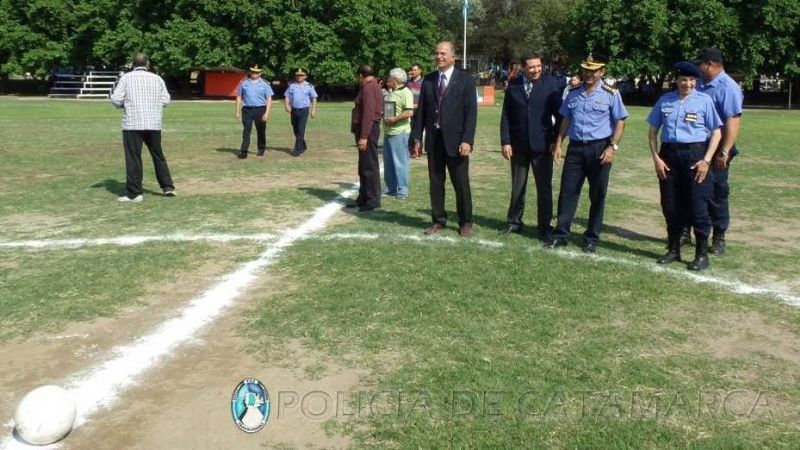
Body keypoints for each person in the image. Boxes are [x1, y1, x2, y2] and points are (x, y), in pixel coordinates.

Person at [544, 53, 628, 253]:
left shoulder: (611, 93)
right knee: (568, 191)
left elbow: (620, 121)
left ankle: (592, 237)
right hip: (575, 148)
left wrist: (612, 147)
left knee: (597, 194)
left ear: (601, 72)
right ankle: (561, 234)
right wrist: (559, 144)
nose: (589, 74)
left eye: (593, 70)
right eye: (586, 70)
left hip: (600, 149)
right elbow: (565, 120)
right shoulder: (573, 92)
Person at [647, 62, 723, 271]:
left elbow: (716, 132)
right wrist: (656, 158)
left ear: (695, 82)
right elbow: (653, 131)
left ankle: (701, 254)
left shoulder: (704, 101)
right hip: (669, 156)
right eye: (683, 80)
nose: (687, 84)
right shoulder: (665, 100)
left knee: (698, 207)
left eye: (691, 80)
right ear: (677, 81)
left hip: (695, 157)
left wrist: (706, 160)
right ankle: (673, 249)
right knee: (670, 206)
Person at [411, 41, 478, 237]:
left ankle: (465, 222)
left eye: (443, 53)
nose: (439, 57)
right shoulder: (429, 80)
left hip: (457, 143)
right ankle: (438, 220)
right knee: (436, 183)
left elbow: (471, 114)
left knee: (461, 184)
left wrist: (467, 140)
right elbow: (421, 112)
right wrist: (417, 138)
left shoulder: (465, 81)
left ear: (453, 57)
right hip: (434, 141)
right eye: (437, 53)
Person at [499, 53, 563, 240]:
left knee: (544, 188)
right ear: (524, 68)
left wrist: (555, 141)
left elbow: (559, 117)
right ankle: (514, 222)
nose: (536, 70)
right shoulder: (514, 84)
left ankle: (544, 227)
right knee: (517, 187)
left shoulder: (551, 85)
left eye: (538, 66)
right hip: (518, 146)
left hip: (542, 146)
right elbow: (506, 116)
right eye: (532, 67)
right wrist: (505, 141)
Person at [693, 48, 743, 256]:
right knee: (693, 190)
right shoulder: (699, 84)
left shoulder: (727, 87)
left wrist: (725, 151)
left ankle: (719, 237)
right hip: (696, 145)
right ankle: (688, 232)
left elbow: (733, 121)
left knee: (716, 193)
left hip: (717, 149)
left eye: (700, 64)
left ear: (710, 64)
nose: (697, 67)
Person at [110, 53, 175, 202]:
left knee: (133, 158)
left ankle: (135, 193)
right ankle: (167, 187)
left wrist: (124, 105)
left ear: (133, 64)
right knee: (158, 155)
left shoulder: (126, 78)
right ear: (147, 64)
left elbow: (115, 99)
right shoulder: (157, 79)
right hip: (153, 123)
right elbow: (166, 100)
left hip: (132, 124)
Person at [347, 64, 383, 212]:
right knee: (364, 165)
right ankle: (363, 197)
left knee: (369, 166)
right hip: (367, 129)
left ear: (361, 75)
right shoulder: (373, 86)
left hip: (367, 130)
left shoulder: (368, 88)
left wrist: (364, 136)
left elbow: (368, 113)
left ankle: (372, 199)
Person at [382, 68, 415, 199]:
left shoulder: (406, 92)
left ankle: (402, 190)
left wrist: (394, 119)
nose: (387, 80)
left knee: (400, 162)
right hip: (388, 132)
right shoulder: (391, 92)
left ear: (395, 80)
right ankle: (390, 187)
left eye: (389, 78)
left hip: (399, 133)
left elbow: (409, 112)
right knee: (388, 162)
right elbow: (390, 109)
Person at [235, 65, 273, 159]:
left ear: (260, 73)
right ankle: (244, 151)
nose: (254, 74)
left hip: (260, 109)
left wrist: (267, 113)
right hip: (247, 109)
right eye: (252, 72)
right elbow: (239, 97)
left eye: (256, 72)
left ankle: (261, 149)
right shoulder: (244, 83)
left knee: (260, 130)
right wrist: (237, 111)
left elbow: (269, 99)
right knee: (246, 131)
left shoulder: (265, 84)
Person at [283, 67, 318, 157]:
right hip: (294, 110)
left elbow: (314, 98)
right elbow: (287, 96)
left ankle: (297, 150)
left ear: (305, 76)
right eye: (298, 75)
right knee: (296, 130)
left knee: (301, 130)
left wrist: (313, 110)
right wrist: (287, 105)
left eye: (301, 75)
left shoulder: (309, 86)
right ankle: (303, 144)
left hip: (304, 111)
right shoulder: (292, 86)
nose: (299, 77)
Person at [406, 64, 424, 158]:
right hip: (410, 109)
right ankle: (410, 149)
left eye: (415, 70)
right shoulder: (407, 83)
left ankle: (418, 149)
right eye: (412, 70)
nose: (413, 72)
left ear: (420, 71)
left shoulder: (424, 82)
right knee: (409, 129)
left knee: (418, 130)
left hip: (421, 109)